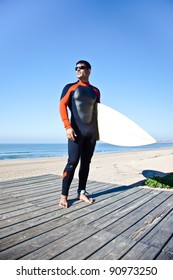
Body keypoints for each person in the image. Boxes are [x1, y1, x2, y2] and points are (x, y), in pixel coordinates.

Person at [59, 60, 101, 208]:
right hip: (75, 133)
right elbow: (62, 105)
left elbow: (98, 112)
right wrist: (67, 126)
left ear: (89, 70)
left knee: (86, 163)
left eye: (81, 68)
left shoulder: (95, 91)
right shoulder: (70, 87)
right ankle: (64, 196)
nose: (78, 70)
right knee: (72, 163)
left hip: (91, 133)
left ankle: (81, 192)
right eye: (76, 68)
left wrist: (100, 132)